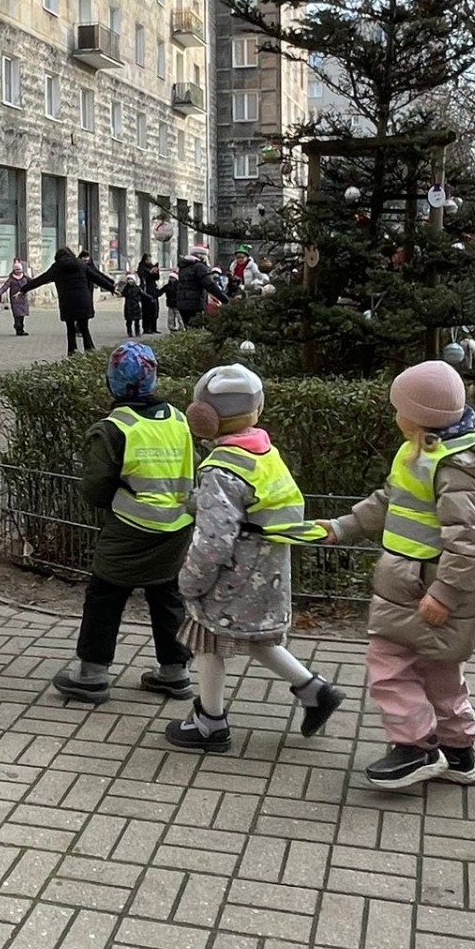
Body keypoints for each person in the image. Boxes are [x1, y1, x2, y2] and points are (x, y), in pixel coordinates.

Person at [314, 361, 475, 791]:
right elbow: (391, 500)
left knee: (388, 665)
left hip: (425, 586)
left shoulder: (455, 465)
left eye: (399, 407)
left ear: (419, 415)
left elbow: (469, 539)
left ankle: (416, 746)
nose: (394, 414)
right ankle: (458, 753)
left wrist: (444, 594)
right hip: (416, 583)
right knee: (439, 670)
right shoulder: (425, 450)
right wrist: (343, 526)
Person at [166, 364, 344, 751]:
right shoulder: (262, 452)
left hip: (231, 575)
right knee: (256, 637)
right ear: (258, 410)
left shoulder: (220, 468)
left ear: (202, 418)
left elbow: (214, 541)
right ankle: (314, 690)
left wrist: (190, 580)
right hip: (268, 568)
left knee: (208, 639)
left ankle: (210, 723)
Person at [52, 343, 197, 706]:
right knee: (167, 597)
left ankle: (92, 674)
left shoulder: (113, 429)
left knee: (105, 596)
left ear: (112, 382)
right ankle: (175, 672)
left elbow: (96, 489)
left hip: (131, 527)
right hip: (176, 526)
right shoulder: (179, 419)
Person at [19, 246, 117, 355]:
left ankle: (72, 353)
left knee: (70, 329)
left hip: (67, 302)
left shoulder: (57, 267)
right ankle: (89, 351)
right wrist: (111, 288)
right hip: (83, 300)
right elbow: (96, 277)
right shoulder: (81, 265)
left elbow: (41, 279)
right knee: (84, 328)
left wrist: (23, 290)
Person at [172, 247, 227, 327]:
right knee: (196, 329)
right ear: (201, 256)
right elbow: (210, 285)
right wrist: (225, 299)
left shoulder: (184, 267)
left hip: (182, 303)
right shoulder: (199, 267)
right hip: (195, 304)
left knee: (189, 329)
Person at [137, 257, 164, 335]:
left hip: (153, 290)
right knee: (147, 311)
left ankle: (154, 327)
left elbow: (156, 278)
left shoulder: (151, 267)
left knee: (155, 310)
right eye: (148, 259)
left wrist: (156, 272)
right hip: (146, 291)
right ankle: (146, 328)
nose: (149, 261)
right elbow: (143, 278)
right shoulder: (142, 268)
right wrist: (150, 273)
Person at [8, 259, 31, 336]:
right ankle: (18, 328)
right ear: (14, 270)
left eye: (19, 269)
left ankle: (21, 328)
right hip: (15, 300)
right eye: (16, 269)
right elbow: (5, 286)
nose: (18, 271)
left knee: (22, 316)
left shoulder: (25, 278)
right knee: (17, 315)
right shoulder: (11, 279)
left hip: (23, 299)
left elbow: (34, 282)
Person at [120, 272, 144, 338]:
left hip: (136, 306)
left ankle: (137, 332)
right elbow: (121, 293)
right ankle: (129, 333)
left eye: (131, 279)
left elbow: (143, 294)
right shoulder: (126, 288)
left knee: (137, 321)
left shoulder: (137, 288)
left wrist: (151, 298)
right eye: (128, 279)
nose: (130, 281)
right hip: (128, 306)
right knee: (129, 321)